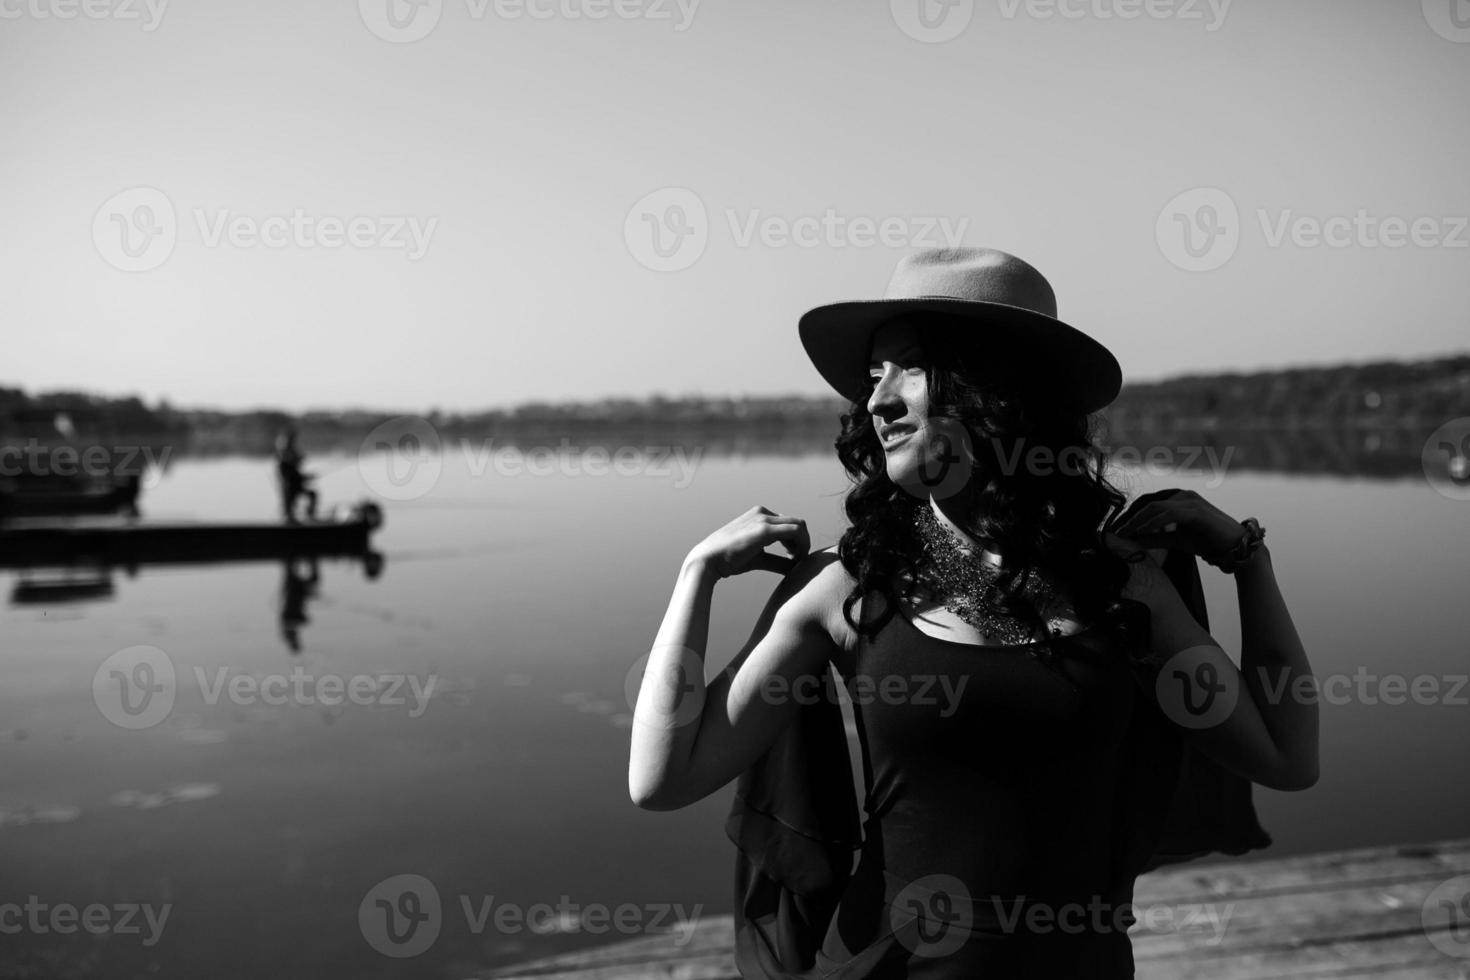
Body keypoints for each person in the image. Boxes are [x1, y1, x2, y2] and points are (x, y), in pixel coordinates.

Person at [628, 248, 1319, 978]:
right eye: (872, 378)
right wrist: (694, 578)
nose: (877, 401)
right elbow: (662, 779)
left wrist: (1248, 562)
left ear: (998, 384)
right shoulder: (845, 586)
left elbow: (1286, 756)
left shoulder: (1122, 588)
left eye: (909, 369)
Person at [275, 425, 318, 523]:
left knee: (312, 494)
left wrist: (307, 476)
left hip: (295, 484)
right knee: (290, 509)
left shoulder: (289, 449)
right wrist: (298, 460)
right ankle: (290, 521)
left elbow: (295, 469)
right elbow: (289, 467)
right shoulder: (283, 447)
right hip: (289, 486)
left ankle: (309, 516)